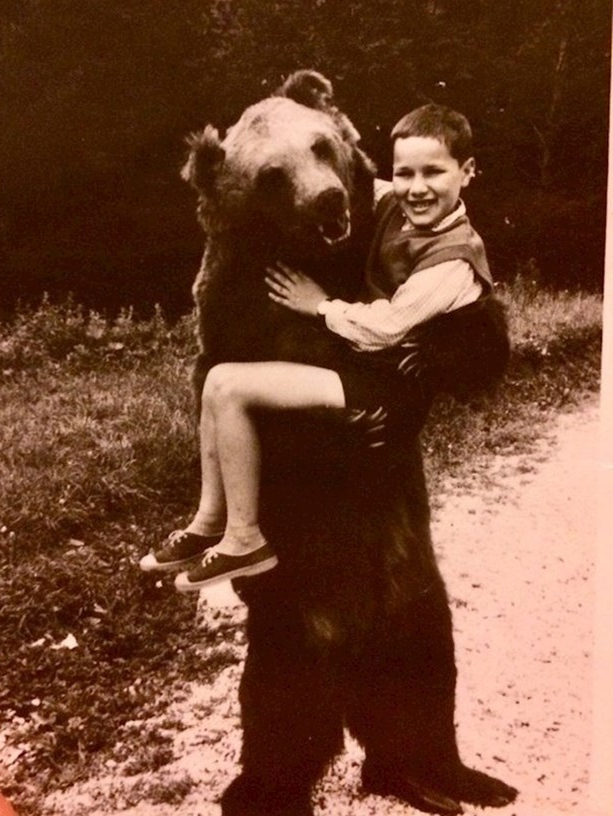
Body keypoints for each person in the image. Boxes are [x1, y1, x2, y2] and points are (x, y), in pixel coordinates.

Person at [139, 103, 495, 590]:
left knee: (228, 387)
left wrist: (320, 305)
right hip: (360, 371)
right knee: (216, 378)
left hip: (384, 389)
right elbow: (360, 185)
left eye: (433, 173)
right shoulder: (398, 205)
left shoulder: (451, 262)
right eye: (405, 173)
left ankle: (244, 540)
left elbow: (387, 329)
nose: (416, 187)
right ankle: (209, 520)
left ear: (468, 172)